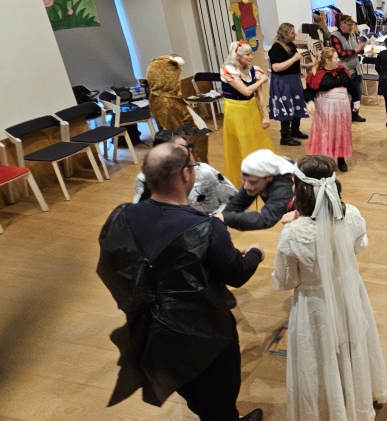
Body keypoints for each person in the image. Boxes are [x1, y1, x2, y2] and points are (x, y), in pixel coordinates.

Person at [97, 142, 264, 421]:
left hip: (151, 328)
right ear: (186, 174)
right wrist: (255, 253)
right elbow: (237, 275)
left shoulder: (120, 216)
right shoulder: (208, 227)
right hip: (203, 330)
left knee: (190, 385)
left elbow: (114, 266)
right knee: (218, 392)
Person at [273, 155, 387, 421]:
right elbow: (359, 247)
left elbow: (286, 281)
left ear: (301, 191)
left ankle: (330, 410)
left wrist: (293, 224)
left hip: (314, 305)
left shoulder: (294, 234)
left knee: (319, 357)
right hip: (349, 293)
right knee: (353, 345)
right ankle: (358, 399)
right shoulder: (353, 216)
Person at [132, 130, 236, 213]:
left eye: (188, 146)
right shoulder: (145, 179)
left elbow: (233, 200)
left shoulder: (205, 171)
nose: (189, 151)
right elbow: (139, 212)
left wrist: (217, 217)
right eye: (183, 148)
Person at [220, 39, 274, 187]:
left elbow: (259, 95)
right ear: (238, 56)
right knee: (240, 144)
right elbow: (246, 91)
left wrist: (265, 116)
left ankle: (260, 176)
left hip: (251, 109)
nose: (251, 57)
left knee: (255, 142)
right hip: (236, 111)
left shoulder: (254, 70)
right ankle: (244, 179)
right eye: (247, 54)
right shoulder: (228, 70)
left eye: (251, 54)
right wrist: (262, 80)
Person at [305, 47, 359, 172]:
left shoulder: (343, 71)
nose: (338, 60)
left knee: (341, 132)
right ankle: (325, 160)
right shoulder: (316, 74)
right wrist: (310, 101)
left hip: (342, 109)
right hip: (325, 110)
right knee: (326, 133)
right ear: (328, 61)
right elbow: (308, 91)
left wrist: (356, 101)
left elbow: (352, 87)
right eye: (336, 58)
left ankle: (341, 159)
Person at [216, 149, 295, 231]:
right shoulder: (259, 177)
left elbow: (265, 219)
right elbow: (237, 204)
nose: (246, 187)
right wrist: (221, 216)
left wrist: (226, 217)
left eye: (253, 182)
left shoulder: (284, 187)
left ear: (269, 177)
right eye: (243, 179)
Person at [268, 23, 312, 146]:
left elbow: (290, 63)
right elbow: (276, 67)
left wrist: (305, 65)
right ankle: (285, 136)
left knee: (297, 104)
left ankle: (295, 130)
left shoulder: (290, 45)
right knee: (286, 106)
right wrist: (294, 59)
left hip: (293, 79)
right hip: (283, 81)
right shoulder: (277, 48)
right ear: (285, 34)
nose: (295, 35)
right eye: (292, 33)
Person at [327, 14, 367, 122]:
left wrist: (361, 48)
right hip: (344, 71)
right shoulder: (334, 36)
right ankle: (344, 117)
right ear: (342, 24)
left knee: (357, 94)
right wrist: (355, 50)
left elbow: (359, 50)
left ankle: (354, 114)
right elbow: (339, 53)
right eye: (349, 25)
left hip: (356, 69)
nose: (351, 27)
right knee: (344, 96)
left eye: (352, 25)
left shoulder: (353, 35)